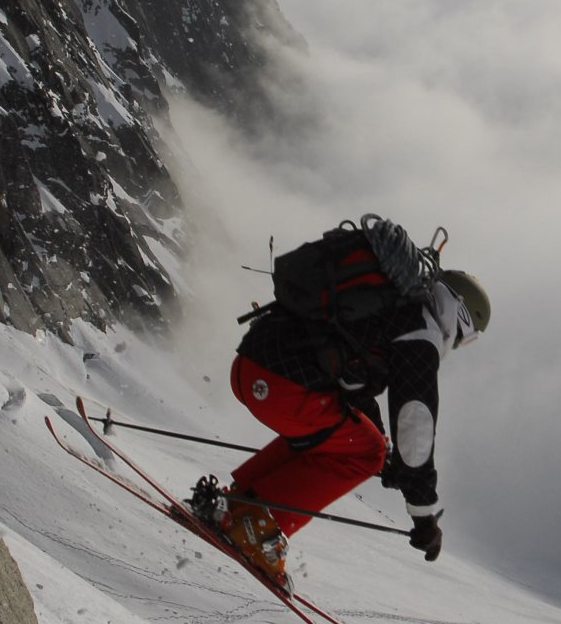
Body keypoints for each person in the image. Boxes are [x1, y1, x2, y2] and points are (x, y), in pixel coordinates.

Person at [193, 224, 490, 591]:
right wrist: (423, 514)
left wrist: (385, 451)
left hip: (251, 367)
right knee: (365, 452)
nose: (457, 345)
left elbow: (351, 388)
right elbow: (416, 422)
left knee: (356, 442)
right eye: (465, 339)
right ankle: (254, 529)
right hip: (281, 387)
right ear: (460, 317)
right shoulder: (420, 331)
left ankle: (232, 507)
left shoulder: (387, 307)